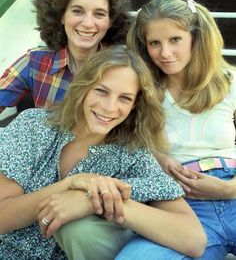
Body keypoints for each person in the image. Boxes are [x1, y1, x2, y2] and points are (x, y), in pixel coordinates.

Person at [0, 46, 206, 259]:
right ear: (83, 87)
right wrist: (69, 185)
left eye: (124, 98)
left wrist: (93, 201)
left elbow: (194, 240)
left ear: (135, 105)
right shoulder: (34, 125)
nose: (109, 107)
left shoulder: (133, 156)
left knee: (80, 229)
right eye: (101, 91)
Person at [118, 0, 236, 259]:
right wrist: (157, 158)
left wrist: (230, 188)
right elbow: (122, 141)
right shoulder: (142, 90)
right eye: (154, 43)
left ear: (195, 37)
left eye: (175, 40)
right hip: (181, 205)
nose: (165, 53)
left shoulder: (230, 82)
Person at [0, 0, 131, 117]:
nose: (88, 23)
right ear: (61, 15)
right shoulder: (35, 61)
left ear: (110, 22)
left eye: (99, 14)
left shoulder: (123, 68)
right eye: (77, 11)